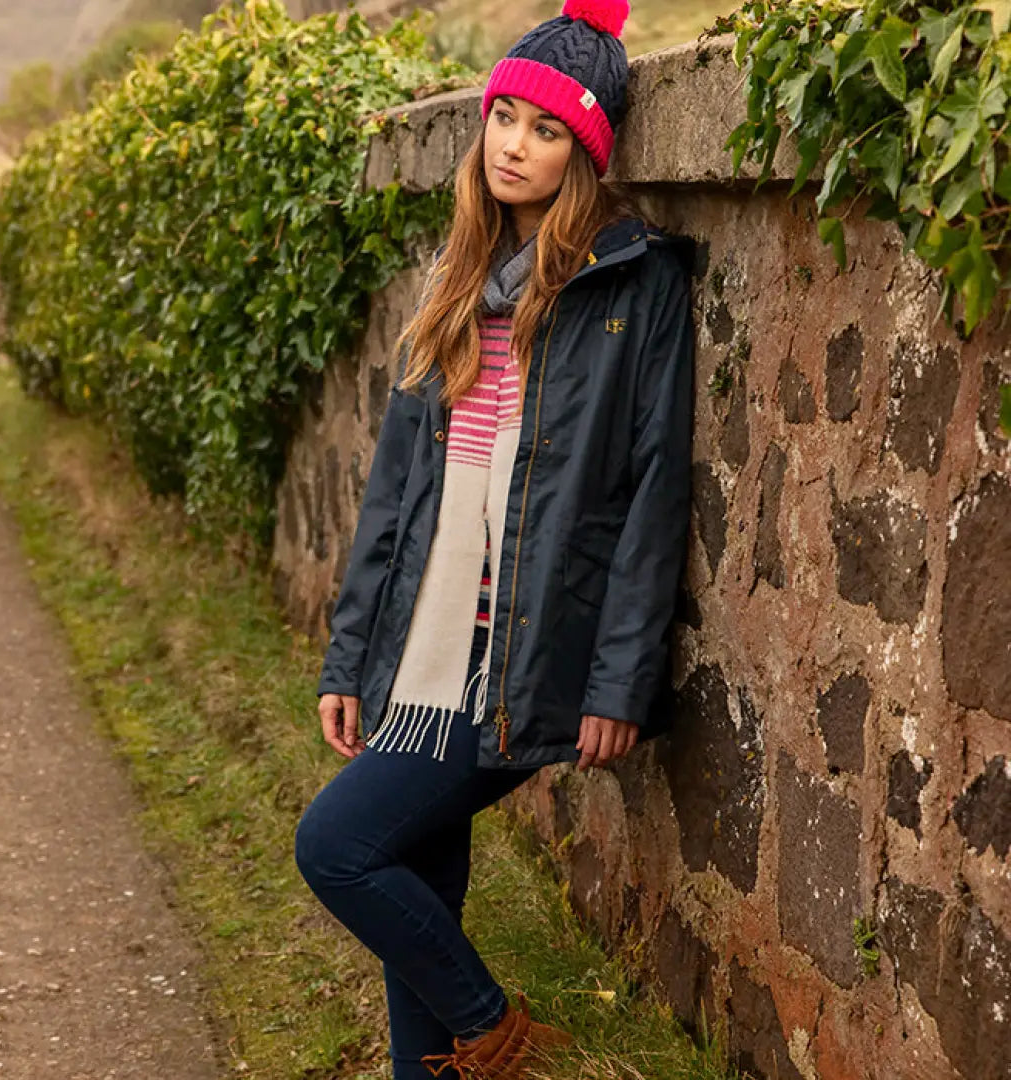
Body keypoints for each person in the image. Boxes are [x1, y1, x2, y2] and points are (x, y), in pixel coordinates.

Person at [294, 0, 694, 1075]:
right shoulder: (459, 280)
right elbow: (395, 492)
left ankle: (490, 1023)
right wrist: (349, 655)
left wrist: (619, 681)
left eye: (546, 128)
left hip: (513, 661)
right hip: (423, 647)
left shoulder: (632, 283)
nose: (514, 145)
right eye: (503, 117)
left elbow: (654, 493)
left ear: (586, 150)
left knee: (334, 847)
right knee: (414, 874)